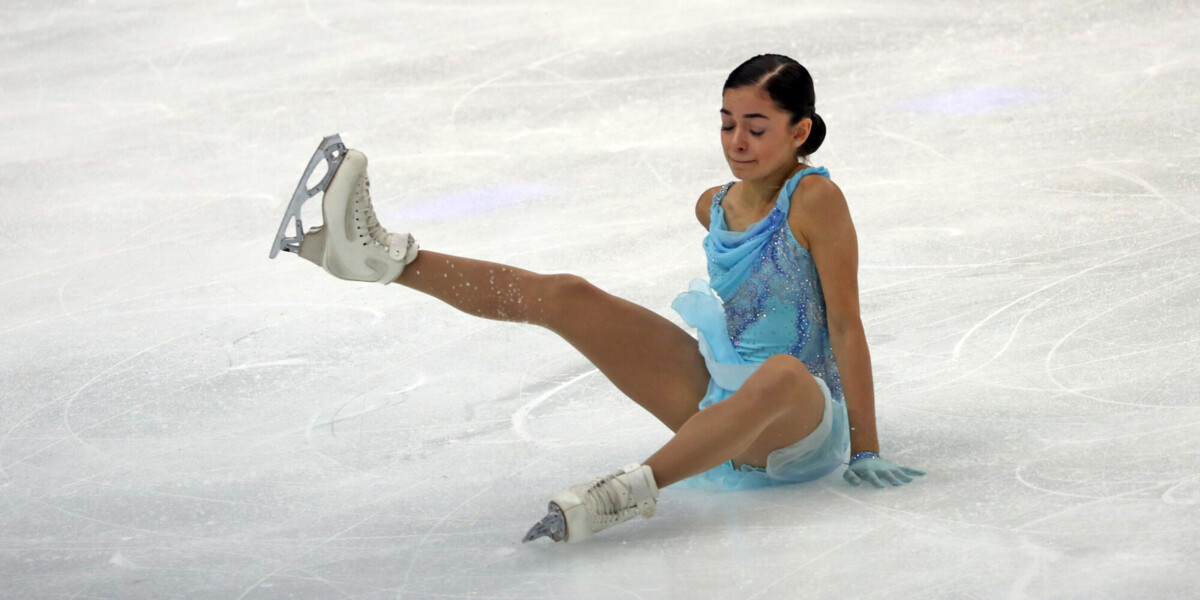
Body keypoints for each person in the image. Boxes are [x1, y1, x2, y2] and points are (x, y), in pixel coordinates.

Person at [275, 54, 925, 544]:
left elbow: (845, 323)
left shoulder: (815, 199)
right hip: (723, 399)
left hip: (801, 420)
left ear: (800, 130)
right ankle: (384, 259)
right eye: (728, 124)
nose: (737, 141)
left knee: (780, 372)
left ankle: (626, 492)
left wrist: (865, 447)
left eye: (757, 128)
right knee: (568, 295)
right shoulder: (714, 206)